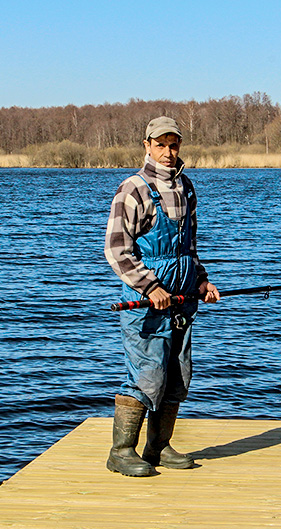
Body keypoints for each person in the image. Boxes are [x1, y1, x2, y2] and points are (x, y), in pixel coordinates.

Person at [105, 116, 220, 477]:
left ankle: (157, 446)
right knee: (147, 373)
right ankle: (121, 451)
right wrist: (150, 287)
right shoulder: (133, 189)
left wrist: (201, 281)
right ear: (147, 145)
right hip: (146, 301)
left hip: (183, 300)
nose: (168, 152)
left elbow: (189, 247)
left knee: (176, 375)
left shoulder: (186, 187)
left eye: (174, 145)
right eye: (160, 144)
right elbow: (117, 250)